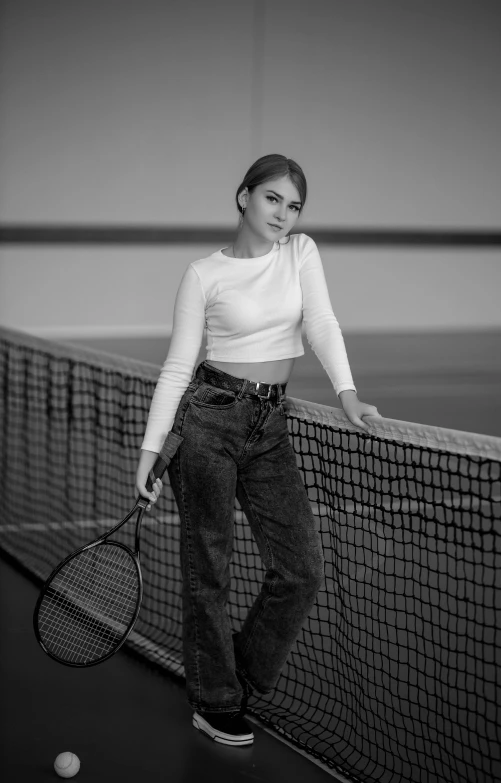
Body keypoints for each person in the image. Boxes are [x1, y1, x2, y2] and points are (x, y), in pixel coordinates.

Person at [135, 153, 380, 747]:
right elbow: (177, 365)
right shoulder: (203, 275)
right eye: (273, 198)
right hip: (209, 421)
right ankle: (215, 702)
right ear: (244, 197)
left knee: (301, 570)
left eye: (293, 205)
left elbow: (321, 321)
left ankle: (232, 677)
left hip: (271, 425)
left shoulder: (301, 253)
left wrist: (348, 394)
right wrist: (150, 451)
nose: (283, 214)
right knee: (208, 571)